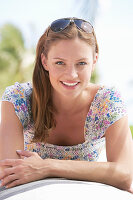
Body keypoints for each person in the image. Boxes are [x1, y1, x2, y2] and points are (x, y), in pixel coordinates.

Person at [0, 17, 133, 193]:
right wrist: (94, 170)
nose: (71, 74)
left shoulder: (107, 102)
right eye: (60, 63)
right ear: (45, 61)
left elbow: (125, 174)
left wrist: (47, 167)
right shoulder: (18, 99)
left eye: (81, 63)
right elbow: (9, 173)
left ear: (94, 61)